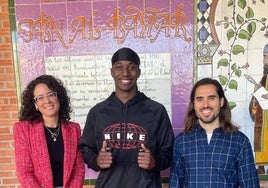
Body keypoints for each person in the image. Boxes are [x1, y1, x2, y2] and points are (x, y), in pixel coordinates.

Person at [79, 47, 175, 188]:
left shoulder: (157, 111)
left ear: (139, 72)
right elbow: (86, 149)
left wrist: (155, 162)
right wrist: (96, 160)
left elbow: (169, 151)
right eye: (119, 67)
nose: (125, 73)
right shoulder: (97, 112)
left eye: (131, 68)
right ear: (112, 72)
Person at [169, 78, 260, 188]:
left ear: (221, 102)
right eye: (199, 99)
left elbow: (251, 185)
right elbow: (175, 184)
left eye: (211, 98)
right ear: (194, 104)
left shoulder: (239, 141)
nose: (205, 104)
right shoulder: (181, 142)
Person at [13, 75, 85, 188]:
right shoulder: (23, 129)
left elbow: (79, 169)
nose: (47, 101)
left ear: (58, 97)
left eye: (51, 94)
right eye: (40, 98)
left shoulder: (73, 129)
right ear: (35, 104)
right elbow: (24, 172)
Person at [249, 43, 268, 174]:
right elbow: (255, 106)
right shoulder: (264, 78)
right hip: (263, 121)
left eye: (267, 57)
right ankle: (261, 168)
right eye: (264, 57)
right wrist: (257, 93)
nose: (265, 60)